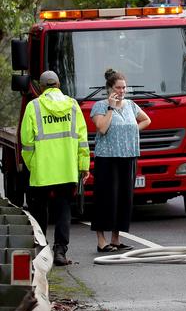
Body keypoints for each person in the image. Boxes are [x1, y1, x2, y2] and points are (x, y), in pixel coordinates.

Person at [21, 71, 90, 266]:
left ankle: (41, 251)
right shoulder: (73, 106)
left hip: (42, 171)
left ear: (41, 88)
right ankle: (60, 252)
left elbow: (26, 144)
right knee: (63, 210)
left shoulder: (33, 107)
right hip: (67, 170)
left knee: (39, 211)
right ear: (59, 85)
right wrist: (83, 166)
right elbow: (82, 140)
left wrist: (34, 166)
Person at [90, 69, 151, 252]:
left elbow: (147, 120)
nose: (122, 91)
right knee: (105, 198)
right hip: (107, 158)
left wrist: (131, 132)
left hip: (129, 156)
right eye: (118, 87)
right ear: (110, 88)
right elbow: (101, 128)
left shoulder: (131, 105)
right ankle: (101, 240)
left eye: (124, 87)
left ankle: (116, 239)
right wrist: (111, 107)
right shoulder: (100, 106)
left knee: (124, 198)